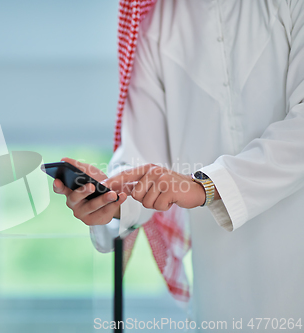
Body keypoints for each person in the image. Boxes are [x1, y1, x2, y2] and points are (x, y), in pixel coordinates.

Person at [53, 0, 304, 331]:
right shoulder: (158, 20)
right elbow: (144, 162)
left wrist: (203, 186)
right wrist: (110, 198)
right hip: (218, 295)